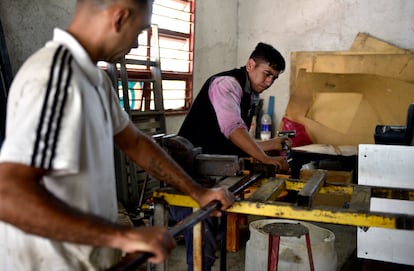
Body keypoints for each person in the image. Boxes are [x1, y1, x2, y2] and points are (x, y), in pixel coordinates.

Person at [0, 0, 234, 270]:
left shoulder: (96, 80)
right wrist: (123, 235)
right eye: (139, 31)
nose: (135, 44)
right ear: (120, 18)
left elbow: (134, 142)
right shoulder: (56, 77)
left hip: (87, 259)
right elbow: (9, 194)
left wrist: (198, 193)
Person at [172, 42, 290, 271]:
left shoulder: (249, 93)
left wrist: (270, 145)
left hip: (208, 171)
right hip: (186, 173)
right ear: (251, 64)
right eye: (267, 74)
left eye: (274, 78)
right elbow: (232, 128)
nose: (269, 82)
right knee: (201, 245)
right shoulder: (227, 84)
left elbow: (235, 138)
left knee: (209, 240)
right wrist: (265, 159)